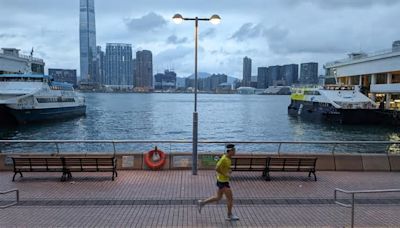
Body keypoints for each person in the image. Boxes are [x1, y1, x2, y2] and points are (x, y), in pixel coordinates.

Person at [197, 144, 239, 221]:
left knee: (218, 197)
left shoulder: (228, 158)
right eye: (234, 150)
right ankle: (229, 215)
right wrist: (225, 174)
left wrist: (228, 170)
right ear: (229, 151)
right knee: (230, 199)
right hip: (223, 182)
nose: (235, 152)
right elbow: (216, 168)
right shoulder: (224, 159)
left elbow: (223, 168)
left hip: (222, 180)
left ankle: (202, 203)